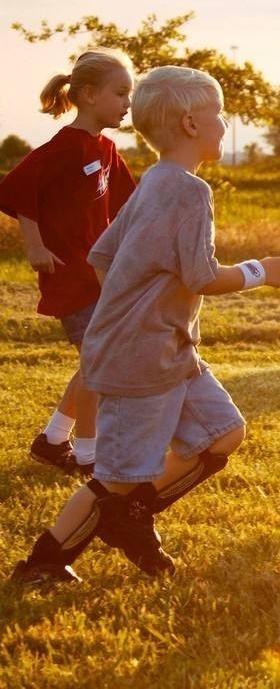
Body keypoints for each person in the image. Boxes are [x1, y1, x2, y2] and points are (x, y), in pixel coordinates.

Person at [10, 66, 280, 585]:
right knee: (117, 479)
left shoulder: (155, 183)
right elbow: (203, 276)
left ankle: (131, 519)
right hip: (141, 357)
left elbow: (102, 256)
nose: (224, 122)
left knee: (223, 434)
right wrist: (261, 271)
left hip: (171, 350)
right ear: (191, 123)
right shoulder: (187, 192)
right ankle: (44, 563)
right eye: (218, 113)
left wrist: (135, 305)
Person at [0, 49, 138, 476]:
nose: (127, 103)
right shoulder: (63, 147)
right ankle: (87, 456)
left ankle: (53, 440)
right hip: (69, 276)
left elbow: (131, 206)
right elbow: (19, 189)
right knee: (101, 365)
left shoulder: (107, 149)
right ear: (91, 95)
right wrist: (34, 245)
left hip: (98, 276)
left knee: (96, 361)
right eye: (120, 93)